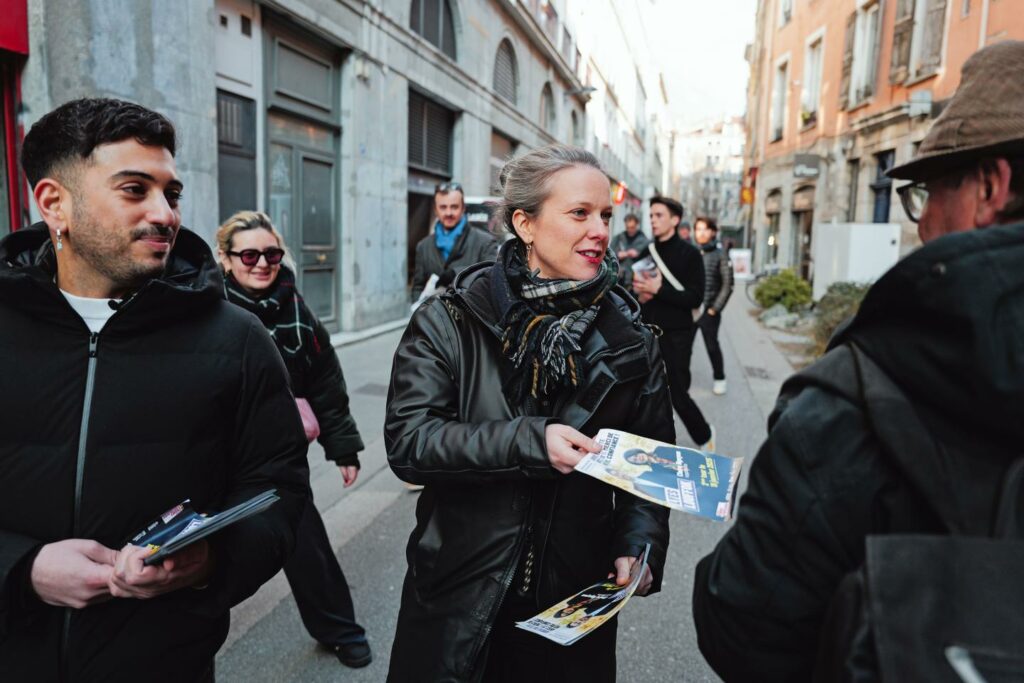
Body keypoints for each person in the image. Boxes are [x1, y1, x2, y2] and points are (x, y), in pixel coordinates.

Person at [693, 40, 1024, 682]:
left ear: (989, 187)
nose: (924, 222)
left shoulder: (864, 389)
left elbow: (739, 622)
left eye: (928, 192)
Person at [0, 98, 309, 681]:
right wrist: (22, 568)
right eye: (134, 189)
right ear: (53, 203)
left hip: (164, 661)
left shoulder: (238, 340)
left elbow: (279, 492)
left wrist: (209, 561)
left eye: (171, 193)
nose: (165, 214)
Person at [384, 144, 674, 683]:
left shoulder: (630, 338)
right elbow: (410, 441)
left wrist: (639, 542)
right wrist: (529, 443)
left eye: (605, 215)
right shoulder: (451, 319)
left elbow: (650, 462)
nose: (600, 231)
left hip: (572, 601)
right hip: (461, 587)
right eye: (579, 213)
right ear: (526, 224)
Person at [215, 211, 372, 668]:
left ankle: (340, 630)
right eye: (248, 254)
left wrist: (342, 447)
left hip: (276, 461)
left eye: (271, 253)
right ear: (225, 260)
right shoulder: (203, 311)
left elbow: (326, 382)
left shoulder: (299, 312)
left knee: (306, 547)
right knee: (193, 563)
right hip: (212, 458)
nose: (261, 263)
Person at [632, 197, 715, 451]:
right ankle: (655, 445)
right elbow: (640, 293)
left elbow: (695, 297)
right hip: (648, 332)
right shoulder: (648, 252)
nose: (653, 220)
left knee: (677, 393)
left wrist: (659, 290)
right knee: (645, 391)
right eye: (652, 216)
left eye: (659, 215)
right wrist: (640, 293)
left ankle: (704, 436)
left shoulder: (690, 254)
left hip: (678, 335)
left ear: (675, 220)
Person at [410, 181, 498, 301]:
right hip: (434, 318)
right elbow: (418, 287)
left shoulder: (486, 242)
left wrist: (455, 273)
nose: (448, 213)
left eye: (454, 207)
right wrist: (417, 310)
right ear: (436, 210)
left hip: (471, 317)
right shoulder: (423, 246)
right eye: (443, 207)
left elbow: (491, 279)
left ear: (463, 209)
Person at [693, 217, 733, 395]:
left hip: (709, 310)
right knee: (683, 347)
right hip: (691, 309)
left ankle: (720, 377)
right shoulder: (692, 252)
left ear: (712, 232)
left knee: (712, 346)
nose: (701, 233)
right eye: (698, 229)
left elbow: (728, 284)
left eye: (705, 229)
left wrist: (714, 308)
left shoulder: (720, 254)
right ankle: (679, 381)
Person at [609, 212, 649, 287]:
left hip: (636, 279)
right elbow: (609, 252)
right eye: (628, 227)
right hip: (619, 277)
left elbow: (648, 259)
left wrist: (639, 253)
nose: (630, 230)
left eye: (632, 227)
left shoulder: (644, 240)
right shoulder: (619, 238)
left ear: (637, 225)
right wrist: (618, 254)